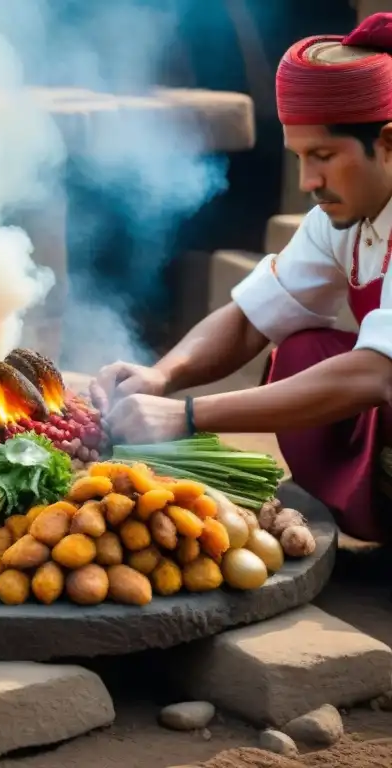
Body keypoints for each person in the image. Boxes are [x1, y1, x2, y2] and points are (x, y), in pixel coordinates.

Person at [95, 13, 392, 543]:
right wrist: (161, 377)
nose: (308, 183)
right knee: (303, 348)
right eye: (299, 158)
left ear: (389, 144)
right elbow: (252, 318)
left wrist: (185, 415)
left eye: (323, 157)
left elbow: (375, 375)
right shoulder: (343, 215)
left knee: (342, 366)